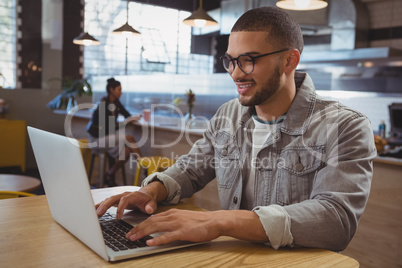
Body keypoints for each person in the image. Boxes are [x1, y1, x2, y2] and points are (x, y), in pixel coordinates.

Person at [95, 7, 376, 251]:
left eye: (249, 60)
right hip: (231, 257)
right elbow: (192, 168)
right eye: (230, 60)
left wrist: (218, 221)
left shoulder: (345, 126)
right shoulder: (228, 114)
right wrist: (152, 191)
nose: (236, 73)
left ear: (290, 60)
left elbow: (336, 220)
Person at [87, 78, 142, 186]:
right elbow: (107, 128)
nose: (121, 92)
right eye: (119, 90)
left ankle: (109, 174)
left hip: (107, 138)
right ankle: (144, 167)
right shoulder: (103, 103)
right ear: (111, 90)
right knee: (129, 138)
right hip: (97, 139)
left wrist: (133, 118)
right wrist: (127, 121)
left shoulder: (116, 102)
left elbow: (127, 114)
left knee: (126, 152)